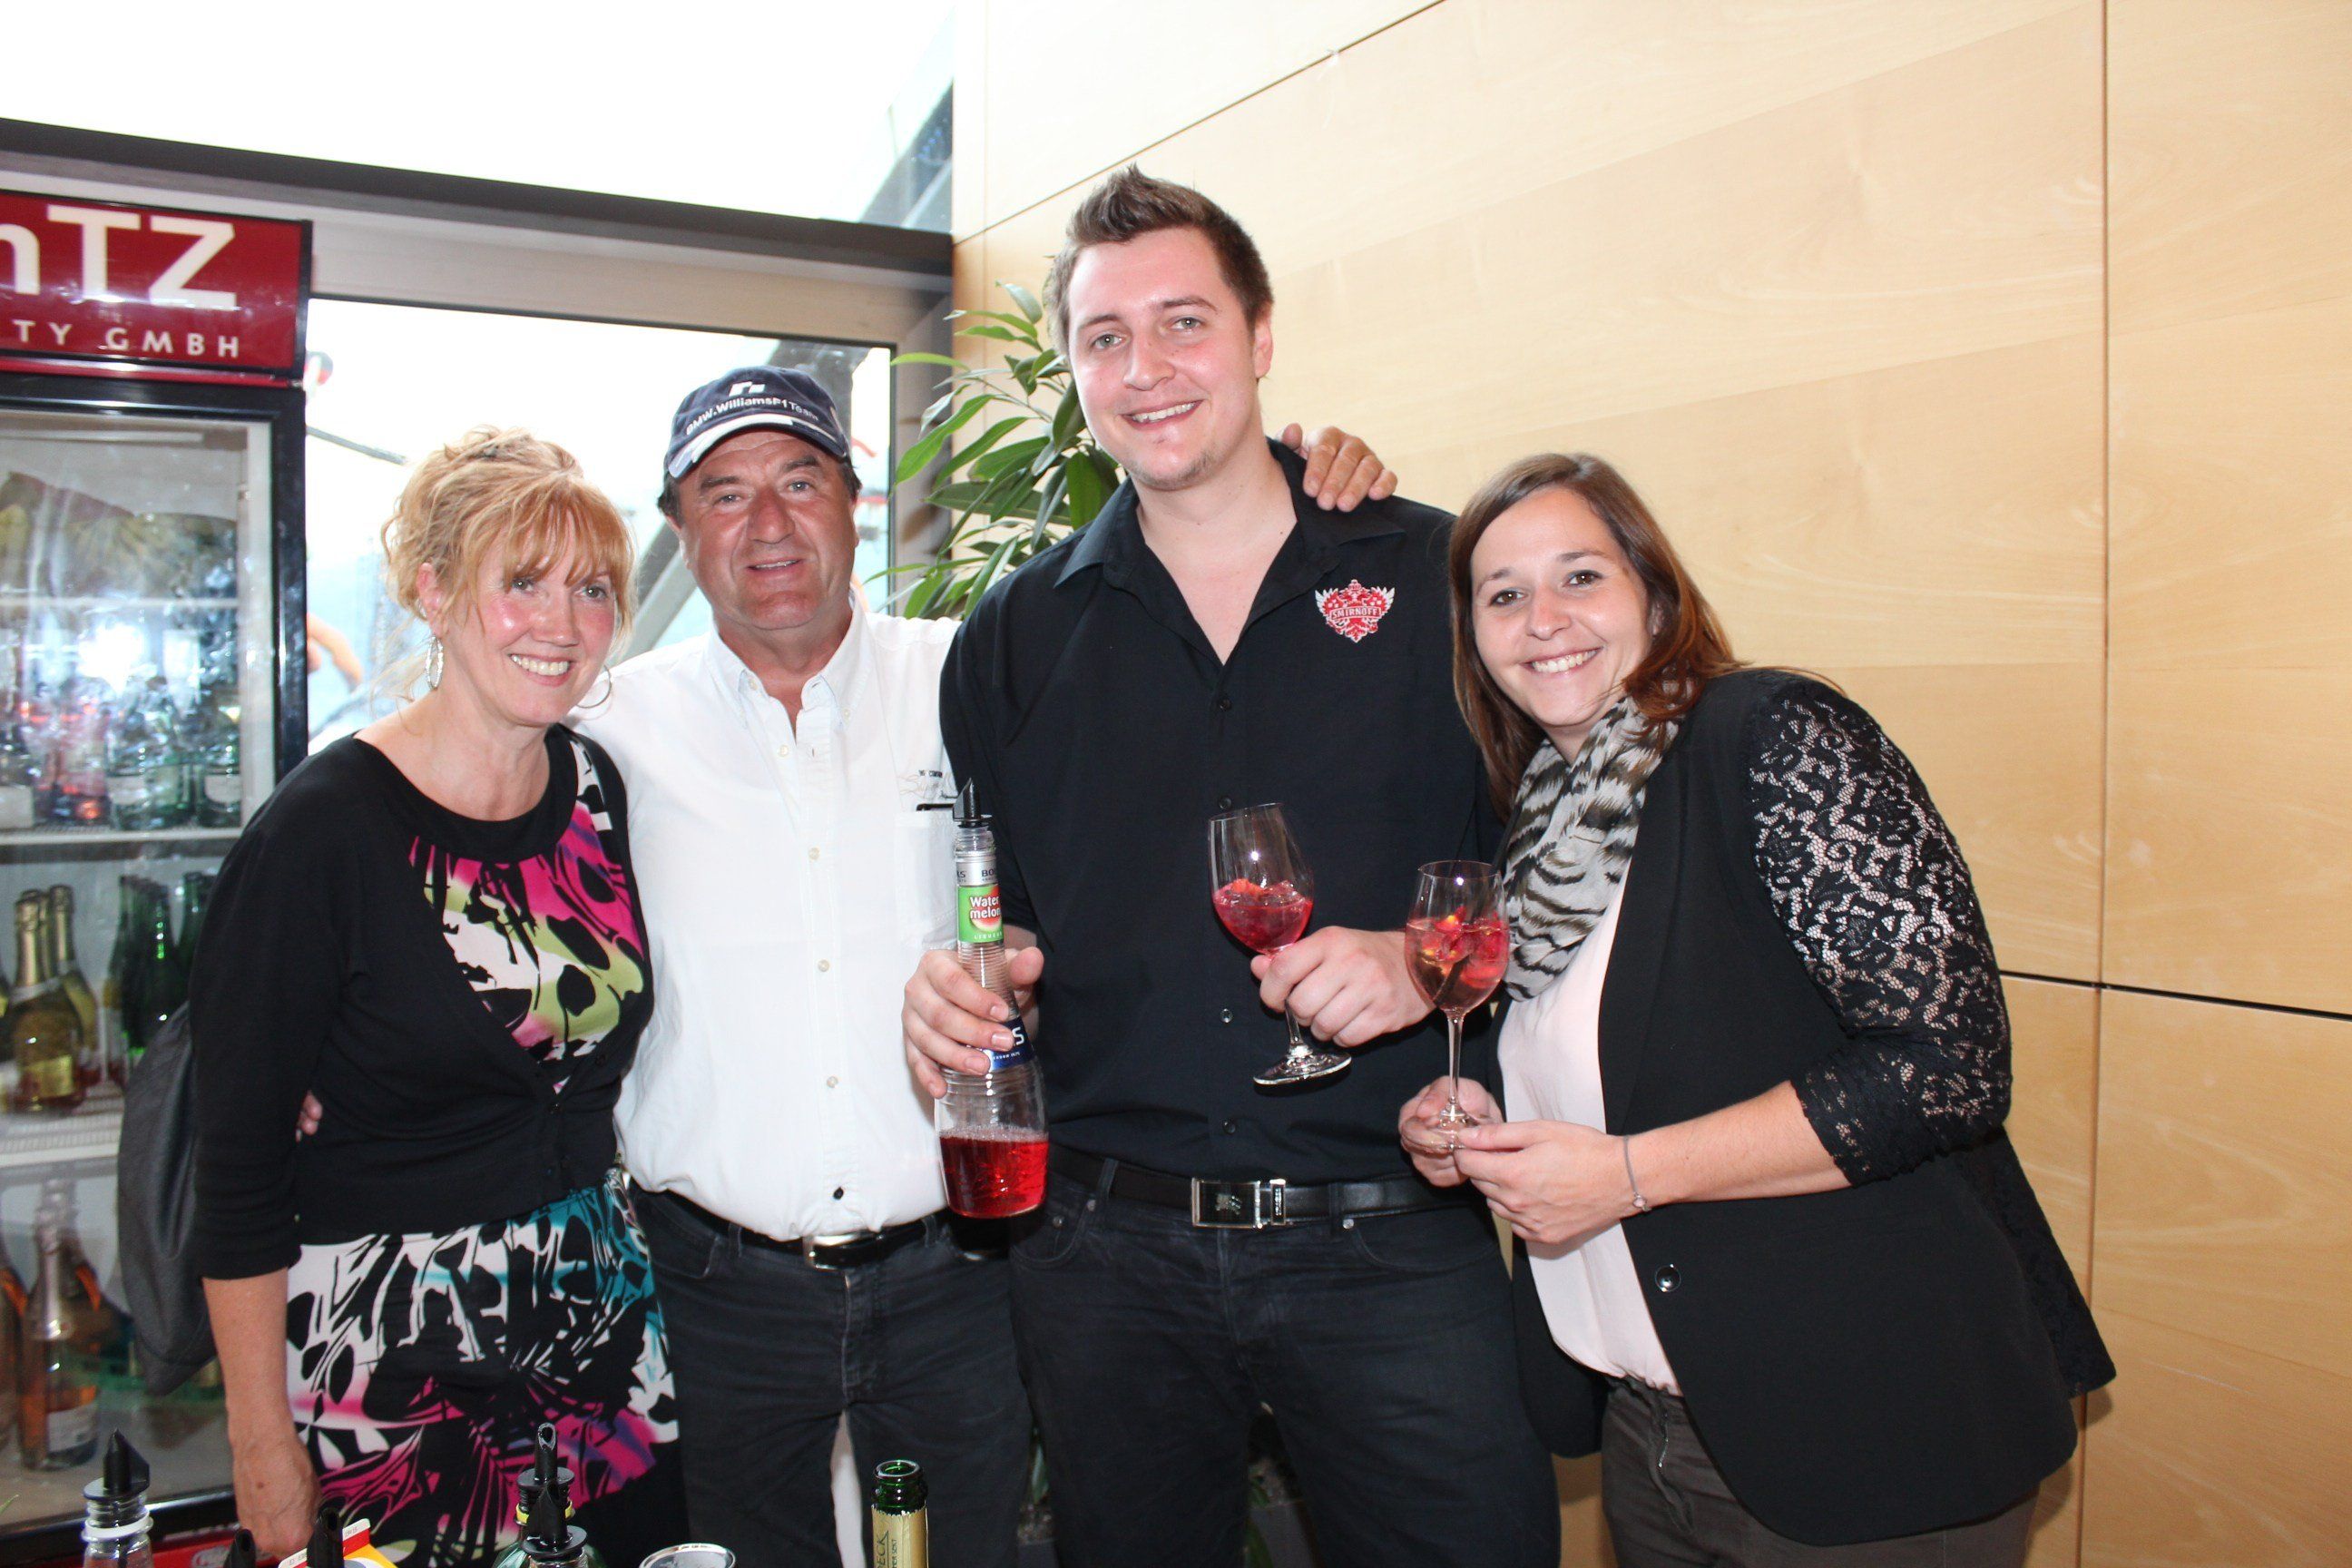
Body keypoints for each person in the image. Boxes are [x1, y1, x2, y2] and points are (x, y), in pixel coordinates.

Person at [576, 364, 1398, 1568]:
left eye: (799, 481)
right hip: (716, 1288)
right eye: (724, 493)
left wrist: (1285, 476)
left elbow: (1182, 692)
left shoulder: (983, 666)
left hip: (956, 1275)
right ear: (679, 528)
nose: (768, 524)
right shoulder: (606, 724)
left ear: (854, 501)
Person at [903, 167, 1560, 1568]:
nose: (1147, 368)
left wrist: (1424, 962)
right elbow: (1004, 925)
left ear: (1261, 337)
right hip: (1106, 1261)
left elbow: (1567, 866)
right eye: (1105, 338)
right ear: (1075, 373)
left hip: (1392, 1242)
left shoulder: (1437, 578)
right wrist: (967, 984)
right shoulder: (1013, 638)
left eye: (1184, 323)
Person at [1398, 453, 2114, 1565]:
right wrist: (1476, 1113)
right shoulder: (1540, 825)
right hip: (1650, 1432)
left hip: (1870, 1430)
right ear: (1474, 639)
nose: (1543, 620)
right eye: (1504, 595)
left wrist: (1626, 1173)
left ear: (1654, 594)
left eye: (1581, 576)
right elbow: (1627, 1056)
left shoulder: (1772, 737)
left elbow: (1947, 1065)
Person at [191, 430, 682, 1568]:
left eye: (593, 589)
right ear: (434, 592)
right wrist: (259, 1442)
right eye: (523, 582)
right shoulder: (325, 830)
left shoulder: (595, 790)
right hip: (388, 1369)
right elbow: (238, 1169)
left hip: (602, 1340)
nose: (561, 623)